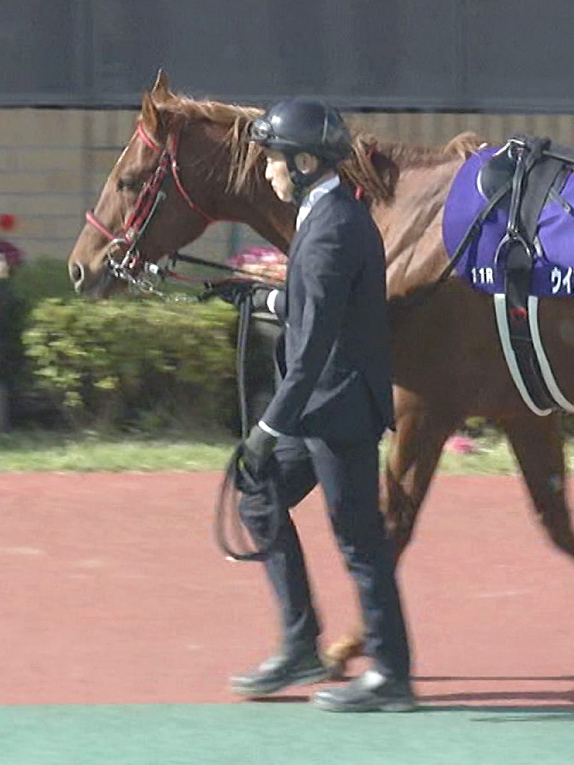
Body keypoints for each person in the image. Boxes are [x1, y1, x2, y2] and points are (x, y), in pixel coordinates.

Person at [224, 97, 413, 712]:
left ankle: (391, 674)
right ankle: (301, 643)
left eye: (273, 160)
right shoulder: (323, 213)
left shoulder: (332, 228)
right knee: (259, 497)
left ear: (304, 163)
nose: (267, 171)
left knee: (359, 540)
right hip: (316, 408)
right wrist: (262, 299)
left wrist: (266, 429)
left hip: (338, 411)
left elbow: (311, 350)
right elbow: (318, 306)